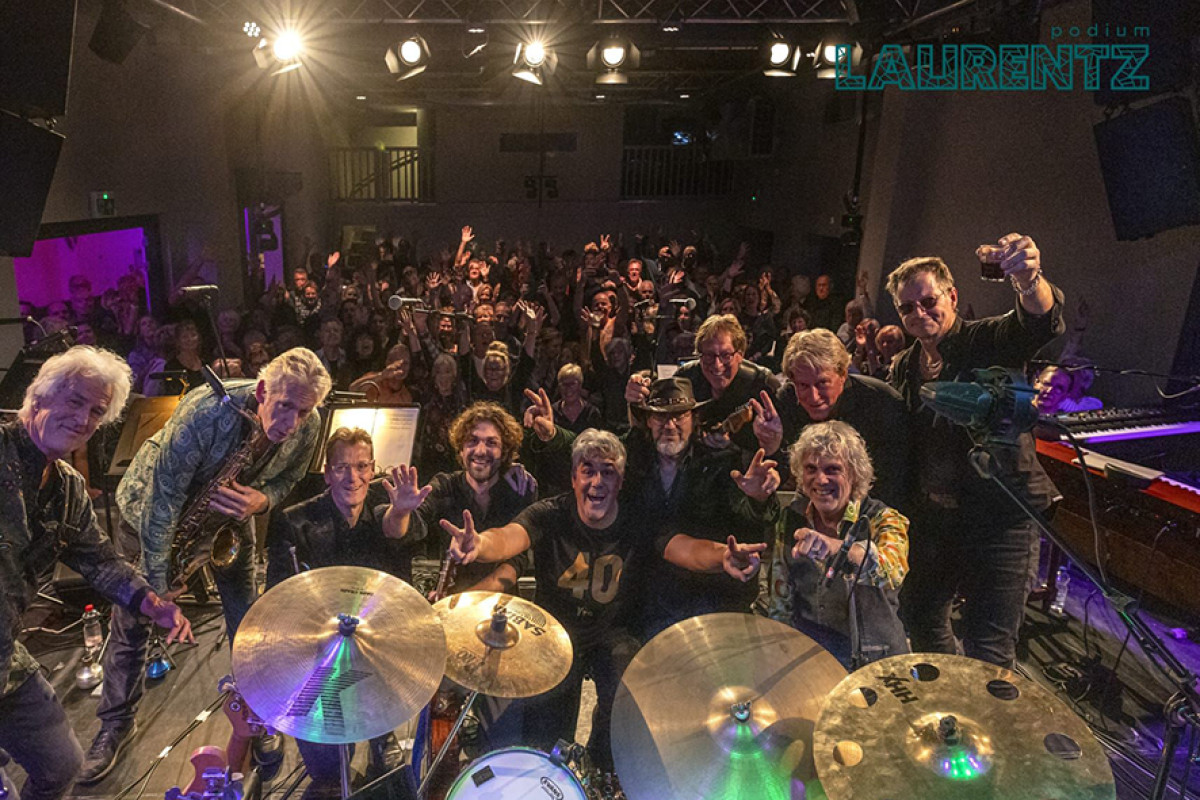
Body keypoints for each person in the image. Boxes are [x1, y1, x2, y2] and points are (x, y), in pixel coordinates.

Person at [81, 348, 332, 781]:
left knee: (247, 616)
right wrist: (157, 588)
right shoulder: (205, 413)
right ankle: (115, 723)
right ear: (260, 391)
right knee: (133, 617)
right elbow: (163, 504)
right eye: (284, 406)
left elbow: (290, 476)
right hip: (152, 517)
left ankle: (258, 712)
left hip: (227, 523)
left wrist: (264, 498)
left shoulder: (306, 426)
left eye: (303, 411)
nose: (291, 422)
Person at [0, 347, 192, 799]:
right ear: (40, 396)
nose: (84, 418)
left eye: (96, 411)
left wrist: (153, 603)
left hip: (6, 657)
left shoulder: (66, 488)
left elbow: (101, 561)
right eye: (74, 401)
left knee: (61, 765)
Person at [886, 233, 1063, 668]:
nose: (919, 313)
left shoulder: (986, 341)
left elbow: (1036, 323)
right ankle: (952, 699)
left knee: (989, 648)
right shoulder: (903, 367)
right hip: (936, 521)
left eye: (928, 301)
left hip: (1000, 521)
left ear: (952, 296)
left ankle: (986, 720)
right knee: (921, 615)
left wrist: (1027, 279)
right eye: (907, 307)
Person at [441, 430, 637, 770]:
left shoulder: (636, 520)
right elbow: (509, 537)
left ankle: (602, 764)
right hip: (555, 632)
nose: (597, 481)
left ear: (620, 481)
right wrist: (480, 546)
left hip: (611, 632)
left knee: (625, 705)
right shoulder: (550, 512)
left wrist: (724, 556)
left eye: (608, 471)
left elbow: (679, 546)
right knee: (544, 741)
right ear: (574, 477)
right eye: (588, 470)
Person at [524, 379, 780, 639]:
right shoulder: (634, 451)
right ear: (648, 420)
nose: (669, 426)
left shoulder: (721, 460)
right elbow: (592, 451)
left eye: (679, 416)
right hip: (649, 598)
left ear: (695, 418)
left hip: (710, 592)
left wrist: (758, 499)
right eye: (660, 417)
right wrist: (553, 434)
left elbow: (748, 515)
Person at [266, 427, 419, 797]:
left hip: (373, 648)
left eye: (362, 466)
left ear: (373, 469)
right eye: (341, 467)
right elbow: (277, 597)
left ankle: (381, 736)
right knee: (328, 772)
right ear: (327, 472)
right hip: (316, 649)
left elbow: (401, 584)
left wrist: (401, 511)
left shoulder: (387, 515)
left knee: (390, 774)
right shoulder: (294, 520)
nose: (352, 477)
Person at [756, 421, 909, 669]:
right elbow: (779, 599)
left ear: (855, 473)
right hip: (811, 657)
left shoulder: (885, 518)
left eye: (833, 469)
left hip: (877, 661)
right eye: (810, 468)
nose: (820, 479)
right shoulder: (790, 518)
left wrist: (837, 548)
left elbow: (890, 570)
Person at [759, 329, 911, 509]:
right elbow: (783, 476)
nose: (813, 397)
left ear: (843, 374)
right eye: (803, 385)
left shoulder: (882, 403)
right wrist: (771, 447)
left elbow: (895, 486)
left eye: (822, 383)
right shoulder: (789, 401)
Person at [628, 314, 780, 453]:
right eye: (708, 355)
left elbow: (780, 452)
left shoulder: (763, 383)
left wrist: (734, 448)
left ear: (740, 356)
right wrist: (636, 401)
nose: (717, 364)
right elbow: (656, 429)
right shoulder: (685, 379)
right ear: (699, 356)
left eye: (726, 355)